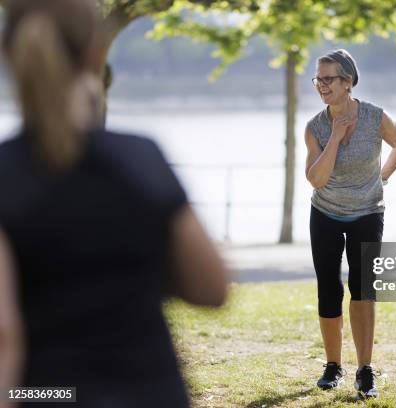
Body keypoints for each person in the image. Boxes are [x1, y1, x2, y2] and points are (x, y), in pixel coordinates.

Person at [0, 1, 229, 407]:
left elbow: (4, 335)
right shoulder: (141, 159)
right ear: (95, 50)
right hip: (154, 395)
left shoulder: (6, 174)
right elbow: (211, 288)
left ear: (7, 52)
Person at [305, 49, 396, 400]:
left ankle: (364, 371)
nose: (321, 85)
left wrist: (384, 175)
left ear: (348, 82)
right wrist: (334, 137)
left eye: (328, 78)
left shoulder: (374, 117)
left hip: (368, 212)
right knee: (329, 288)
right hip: (326, 213)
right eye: (318, 79)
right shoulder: (316, 127)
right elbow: (316, 179)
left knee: (364, 288)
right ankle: (333, 366)